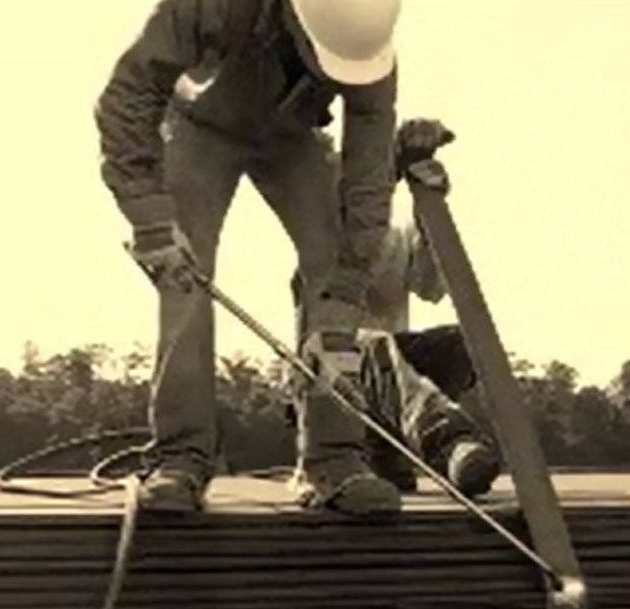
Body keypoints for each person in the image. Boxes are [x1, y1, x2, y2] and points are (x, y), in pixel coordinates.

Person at [94, 0, 407, 517]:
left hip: (293, 135)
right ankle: (182, 456)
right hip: (200, 125)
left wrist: (343, 296)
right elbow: (126, 97)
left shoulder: (370, 45)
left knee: (330, 261)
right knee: (184, 271)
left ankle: (333, 461)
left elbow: (367, 184)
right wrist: (151, 220)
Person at [285, 121, 499, 496]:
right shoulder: (315, 239)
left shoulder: (394, 236)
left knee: (458, 343)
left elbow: (432, 287)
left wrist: (429, 211)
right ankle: (447, 442)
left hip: (394, 375)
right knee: (365, 342)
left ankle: (393, 452)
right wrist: (395, 163)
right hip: (324, 379)